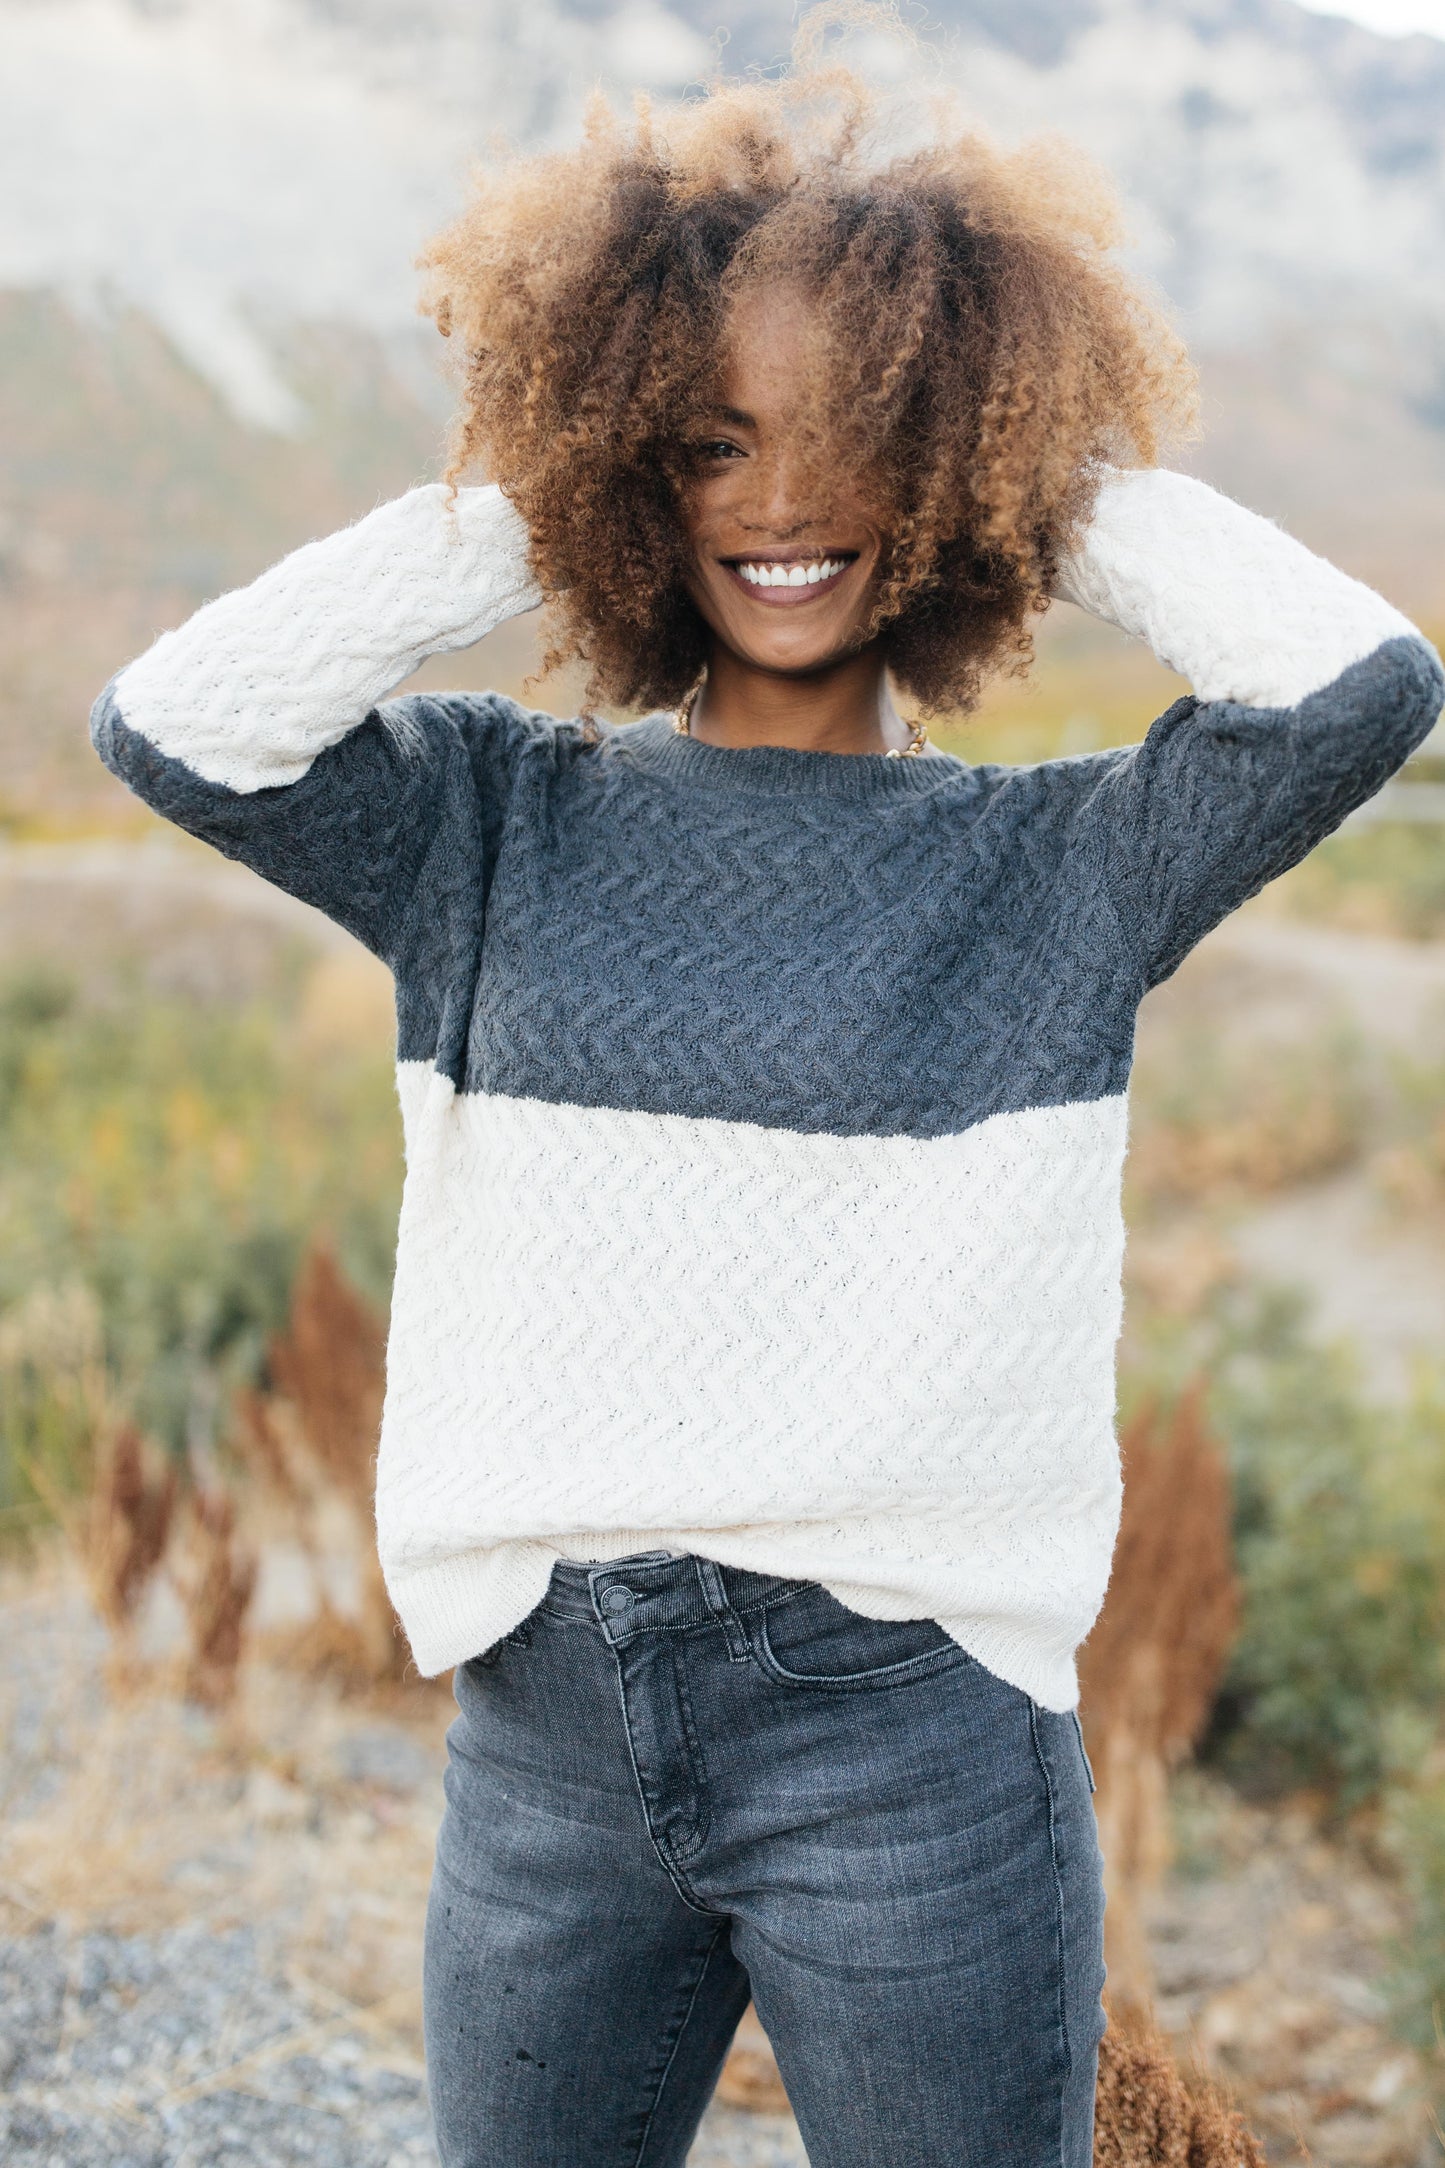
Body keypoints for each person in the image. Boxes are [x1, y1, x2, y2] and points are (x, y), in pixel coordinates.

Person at [90, 51, 1442, 2168]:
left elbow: (1359, 684)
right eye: (706, 446)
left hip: (907, 1742)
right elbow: (179, 725)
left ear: (935, 467)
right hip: (548, 1731)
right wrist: (540, 484)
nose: (778, 506)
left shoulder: (1064, 868)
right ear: (634, 466)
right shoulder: (483, 818)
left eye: (848, 447)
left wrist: (1021, 472)